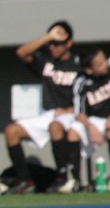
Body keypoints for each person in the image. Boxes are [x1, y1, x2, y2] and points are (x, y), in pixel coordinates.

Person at [5, 20, 82, 194]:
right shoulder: (46, 62)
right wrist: (49, 36)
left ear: (68, 43)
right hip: (49, 113)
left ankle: (62, 178)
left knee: (55, 127)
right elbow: (22, 52)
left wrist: (71, 110)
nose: (53, 47)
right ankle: (26, 181)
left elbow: (88, 90)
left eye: (58, 43)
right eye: (50, 44)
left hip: (71, 114)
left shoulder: (79, 63)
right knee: (12, 131)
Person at [64, 47, 110, 192]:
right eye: (100, 64)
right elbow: (79, 112)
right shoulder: (81, 81)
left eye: (104, 60)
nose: (105, 65)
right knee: (73, 131)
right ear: (89, 70)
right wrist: (91, 127)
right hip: (94, 120)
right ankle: (75, 180)